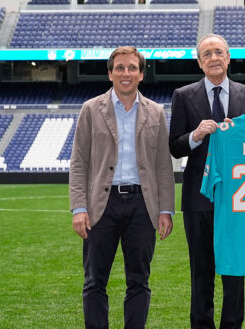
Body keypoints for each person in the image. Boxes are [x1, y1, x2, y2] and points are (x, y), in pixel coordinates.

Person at [69, 46, 175, 329]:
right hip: (100, 205)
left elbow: (163, 166)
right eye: (119, 68)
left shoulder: (156, 112)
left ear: (141, 74)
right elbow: (78, 162)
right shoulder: (91, 109)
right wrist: (79, 208)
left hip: (143, 205)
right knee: (94, 282)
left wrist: (166, 209)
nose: (125, 73)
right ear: (110, 73)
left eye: (131, 68)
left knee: (139, 281)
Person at [169, 34, 245, 329]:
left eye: (218, 52)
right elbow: (175, 146)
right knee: (201, 270)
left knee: (235, 270)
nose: (213, 57)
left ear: (228, 57)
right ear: (199, 61)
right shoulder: (183, 95)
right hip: (199, 196)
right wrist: (196, 136)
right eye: (207, 53)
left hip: (240, 196)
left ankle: (232, 325)